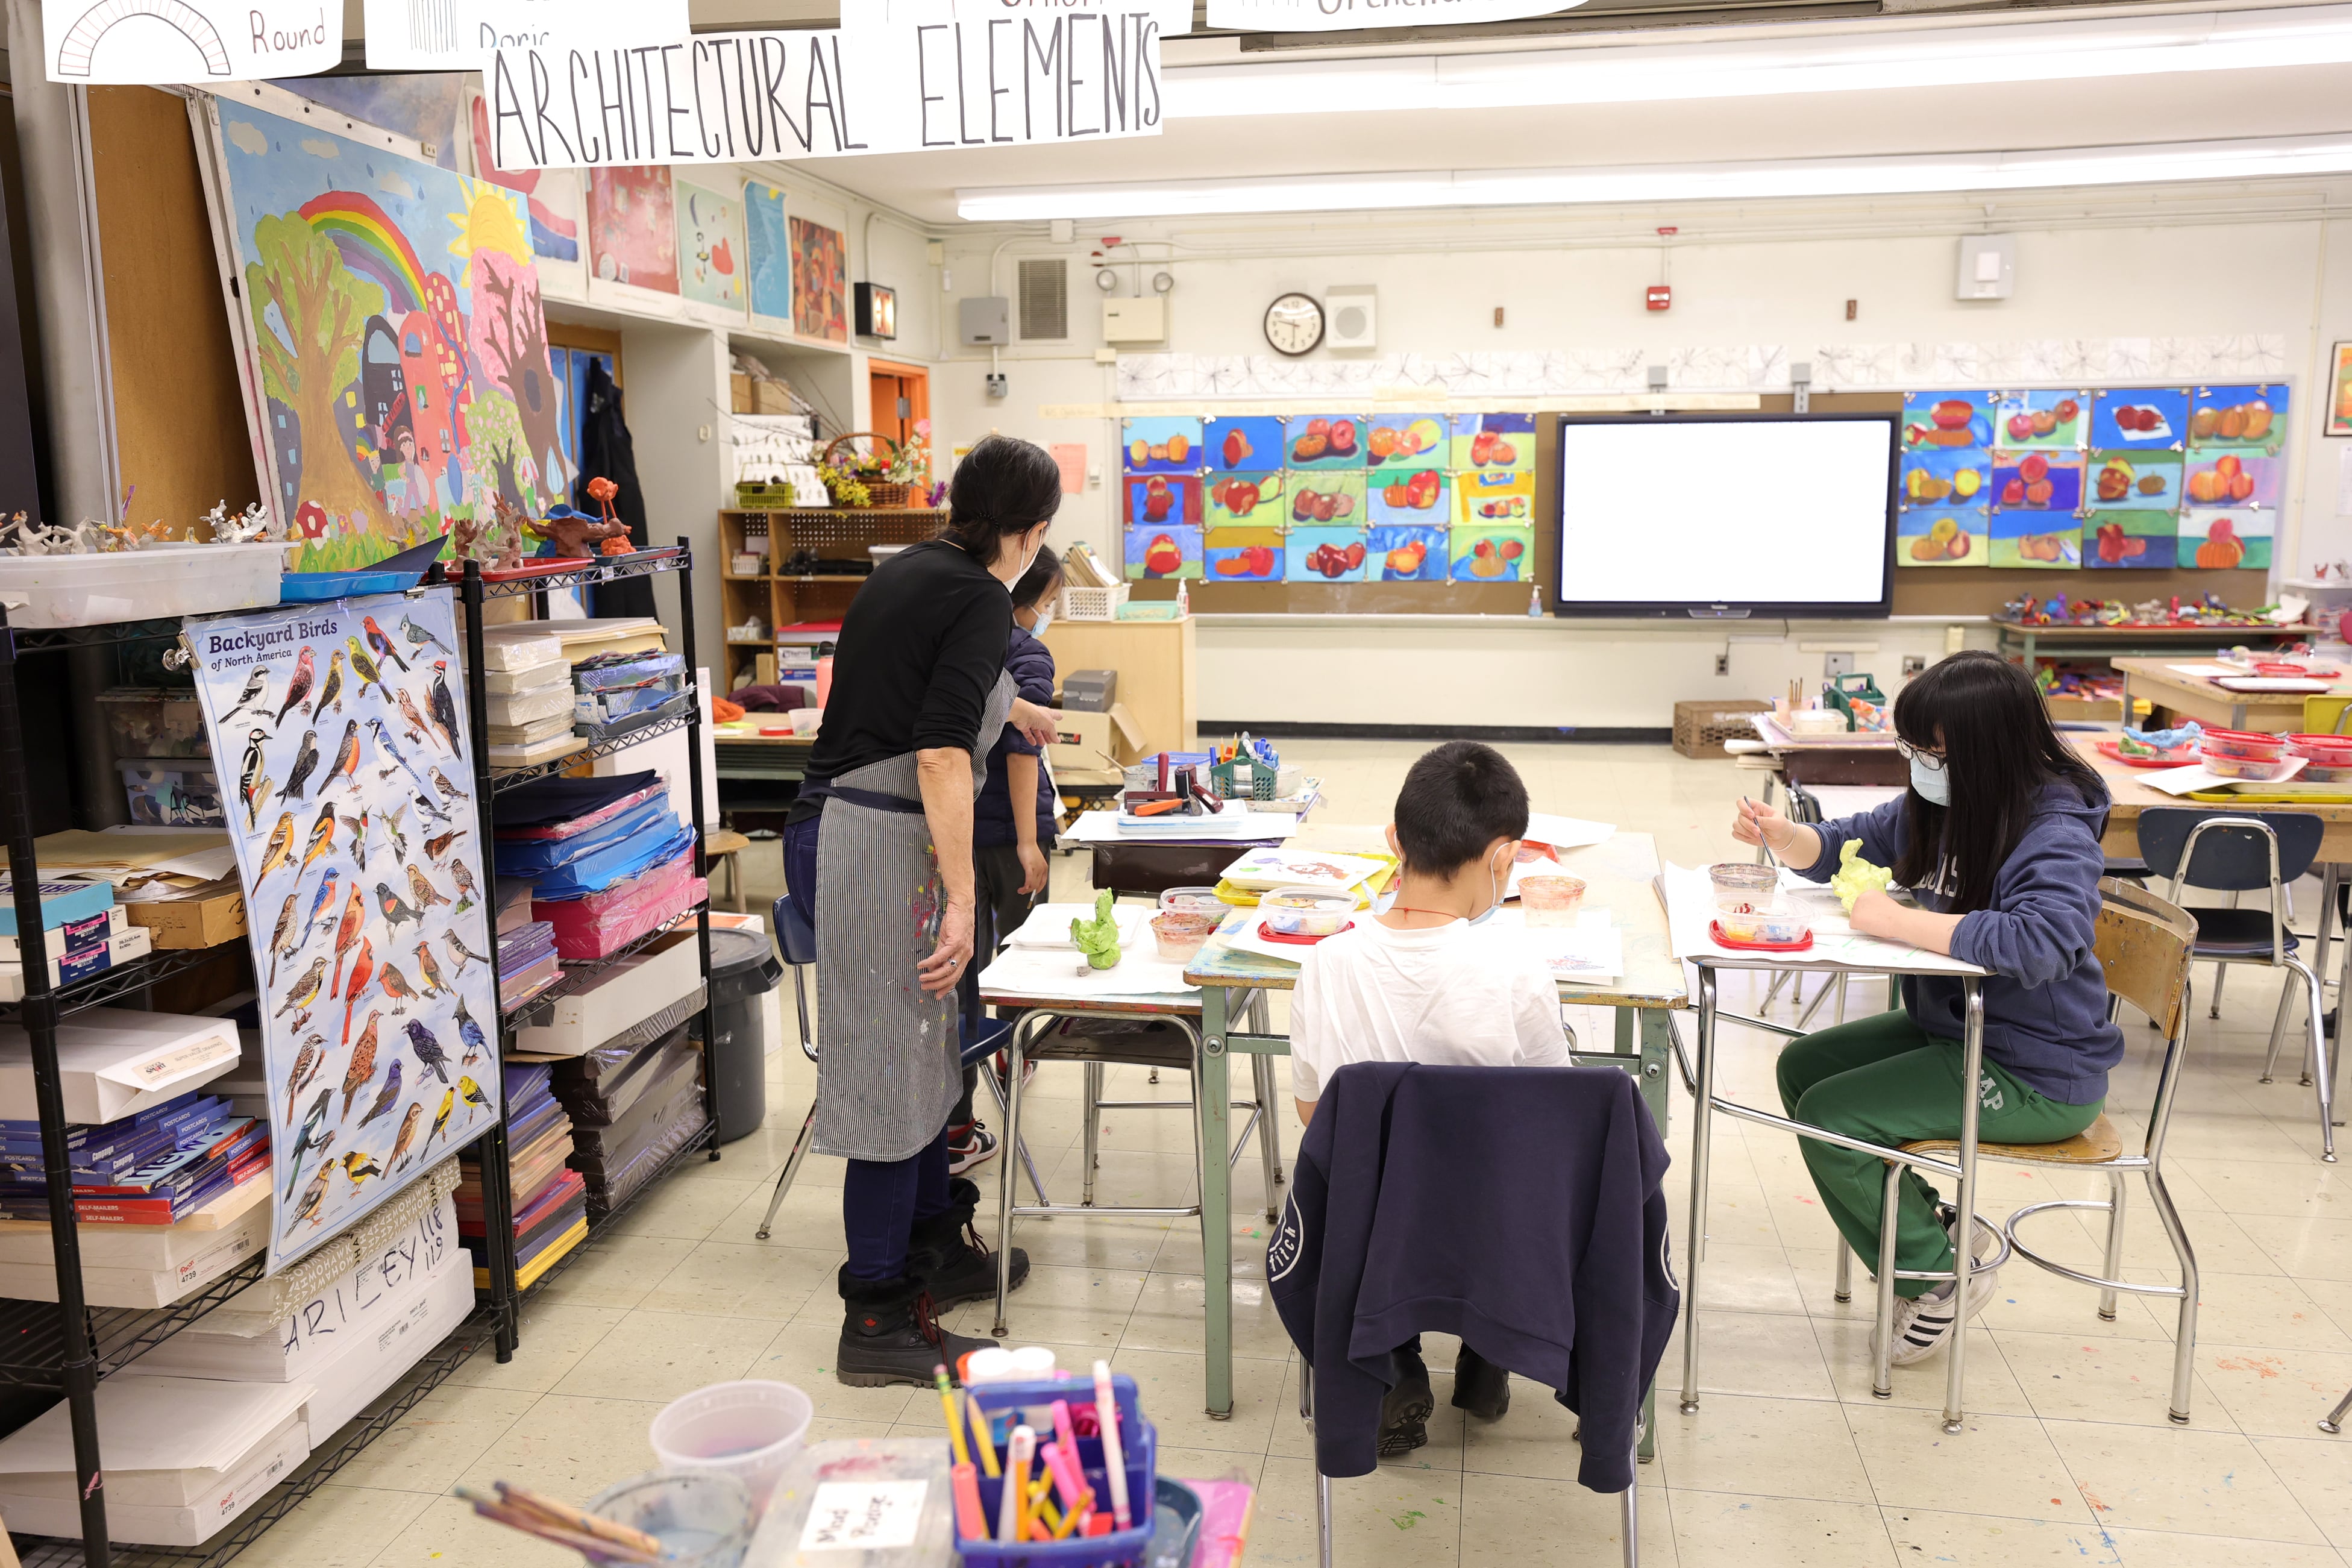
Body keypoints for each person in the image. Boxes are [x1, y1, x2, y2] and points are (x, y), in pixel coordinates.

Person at [1734, 649, 2121, 1367]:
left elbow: (2045, 940)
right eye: (1911, 749)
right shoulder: (1949, 802)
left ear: (1985, 751)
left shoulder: (2053, 827)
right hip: (1962, 1030)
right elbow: (1853, 841)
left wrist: (1900, 922)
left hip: (2037, 1070)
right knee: (1803, 1067)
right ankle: (1932, 1222)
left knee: (1832, 1116)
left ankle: (1935, 1279)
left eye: (1930, 753)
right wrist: (1788, 837)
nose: (1917, 765)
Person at [781, 434, 1062, 1388]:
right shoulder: (980, 595)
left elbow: (932, 681)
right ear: (1030, 531)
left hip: (858, 824)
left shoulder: (912, 569)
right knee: (887, 1077)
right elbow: (940, 750)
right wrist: (963, 898)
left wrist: (1017, 711)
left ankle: (931, 1246)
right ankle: (875, 1314)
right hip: (875, 839)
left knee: (928, 1059)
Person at [1288, 739, 1572, 1450]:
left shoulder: (1325, 963)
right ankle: (1490, 1346)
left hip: (1371, 1227)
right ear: (1503, 857)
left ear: (1396, 840)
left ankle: (1391, 1363)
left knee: (1360, 1179)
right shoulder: (1517, 969)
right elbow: (1554, 1113)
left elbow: (1315, 1117)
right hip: (1491, 1229)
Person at [946, 550, 1064, 1174]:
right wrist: (1027, 842)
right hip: (1007, 836)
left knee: (962, 973)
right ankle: (1013, 1052)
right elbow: (1024, 749)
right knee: (1020, 957)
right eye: (1050, 602)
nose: (1050, 613)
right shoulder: (1028, 654)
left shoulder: (959, 642)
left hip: (953, 833)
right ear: (1029, 599)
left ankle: (958, 1120)